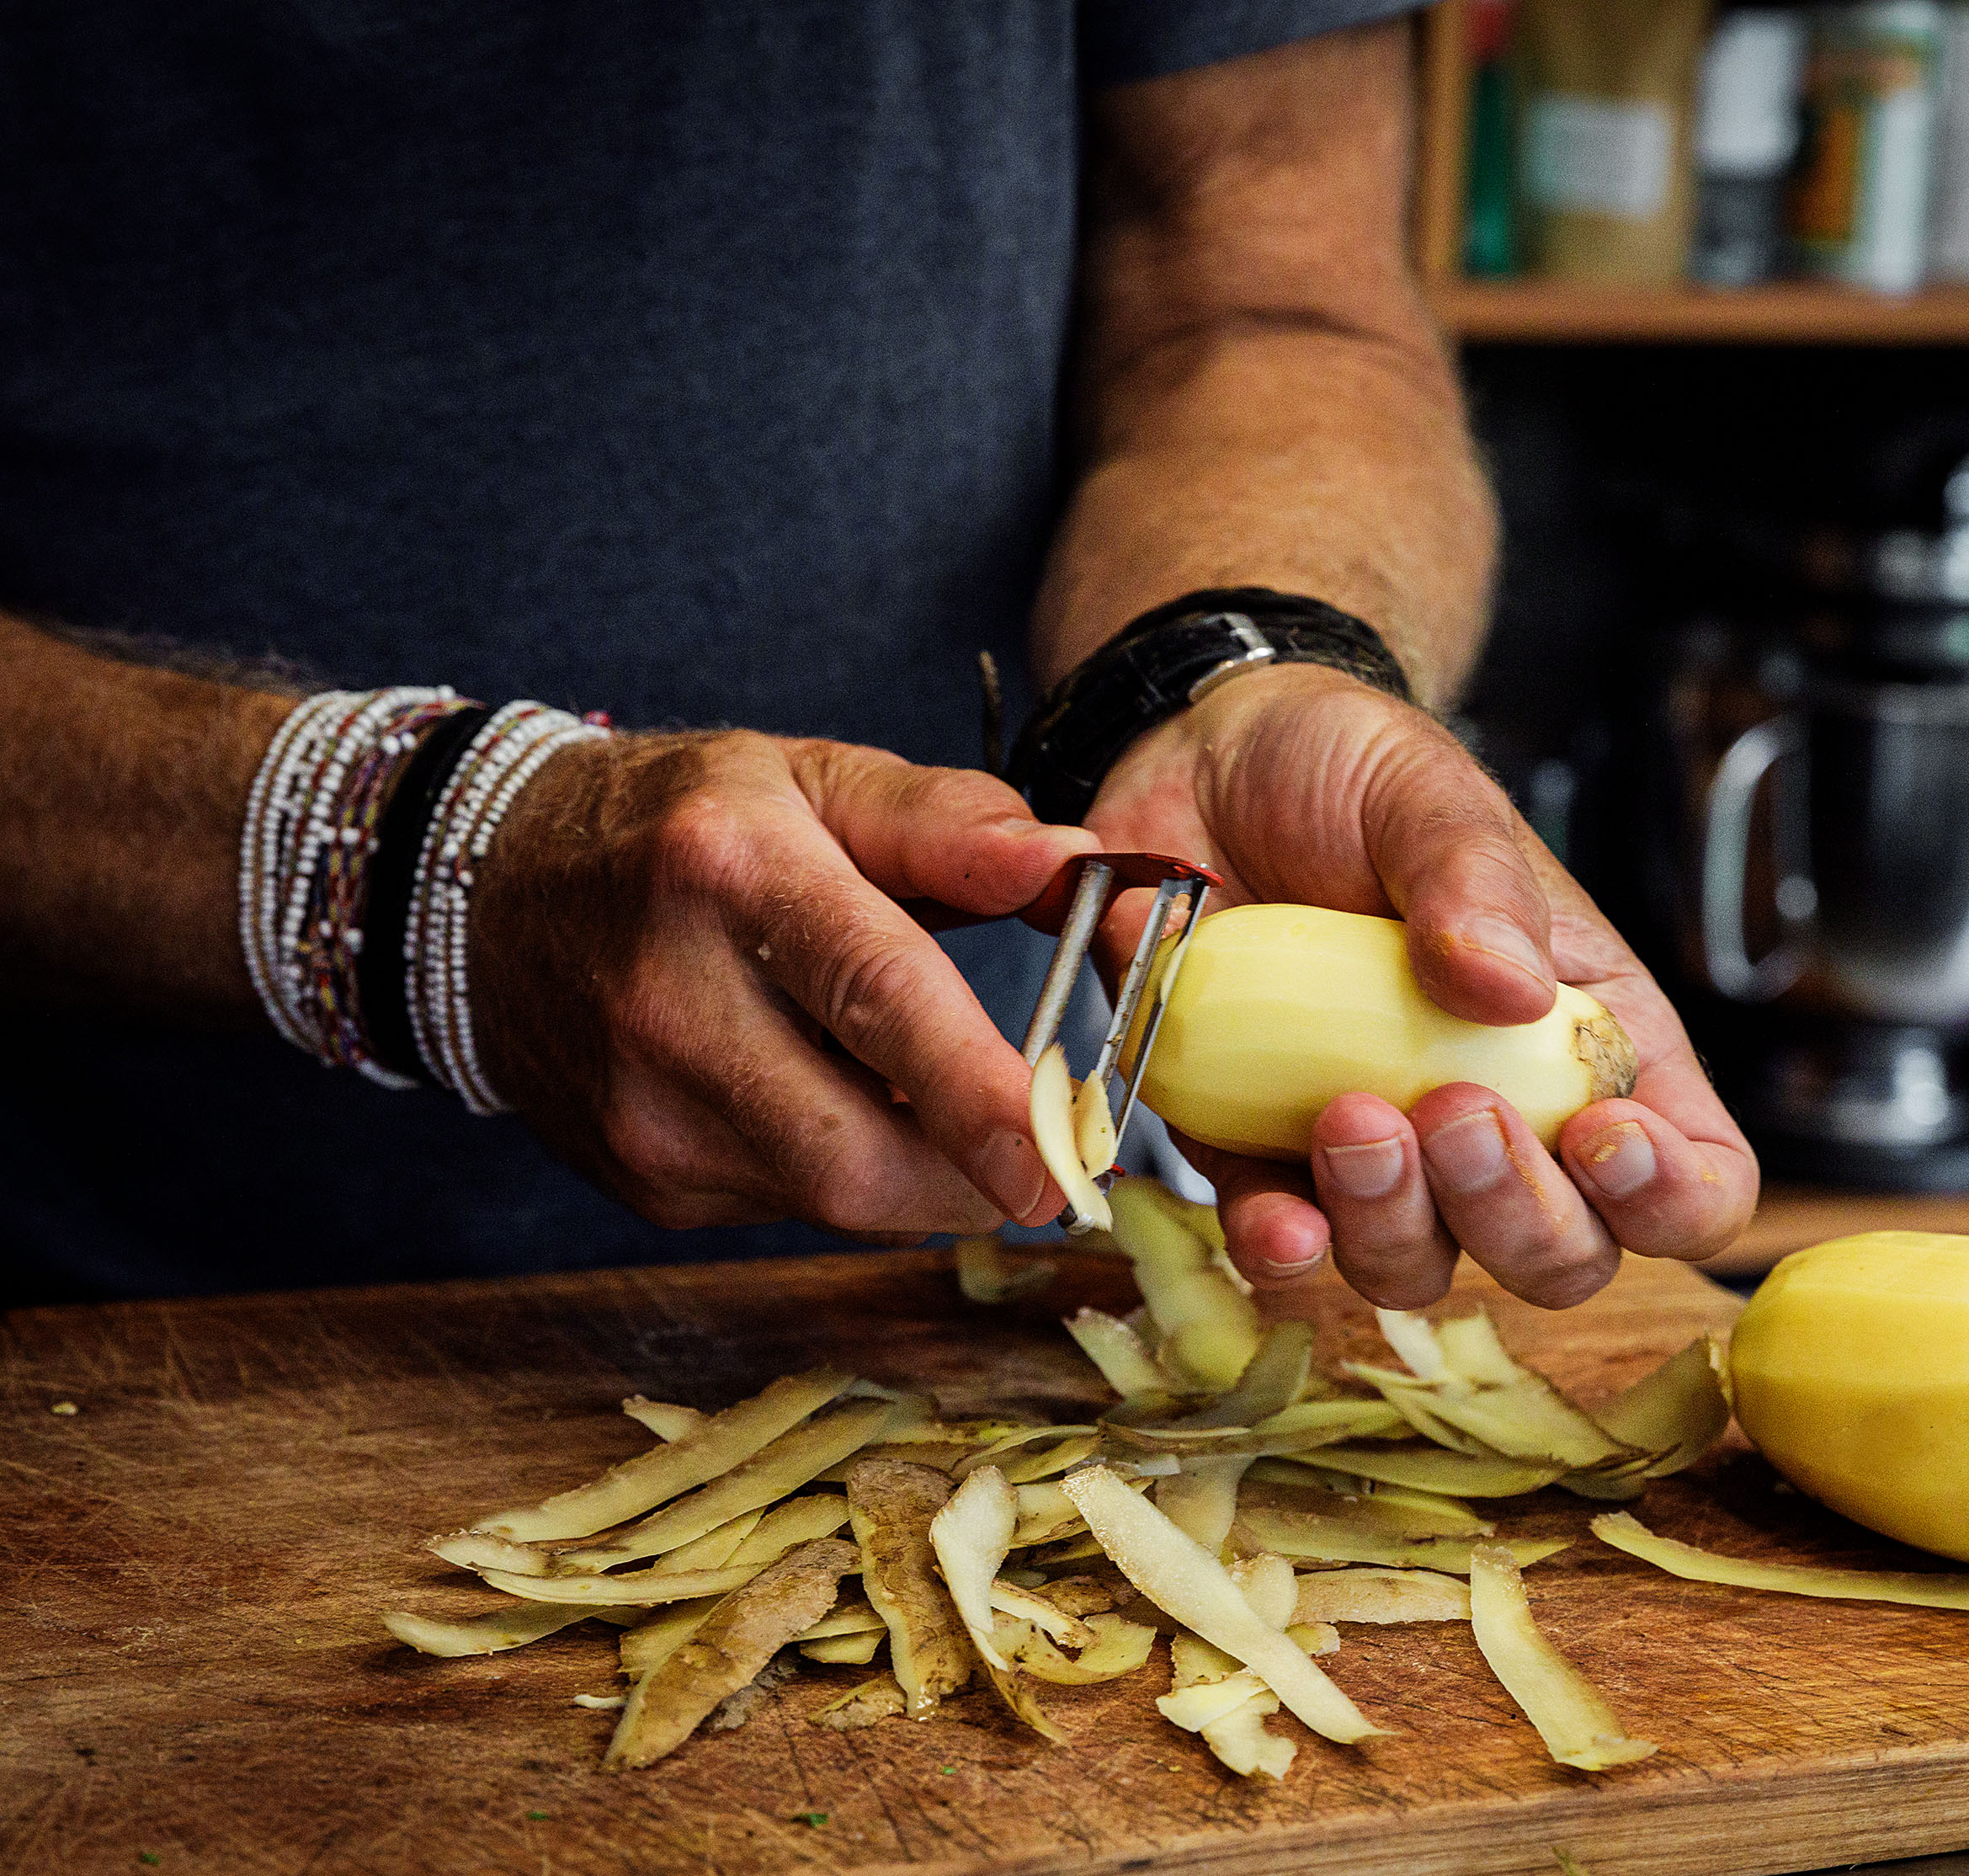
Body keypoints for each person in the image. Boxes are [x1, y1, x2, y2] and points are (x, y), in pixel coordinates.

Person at [0, 5, 1754, 1312]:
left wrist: (1226, 666)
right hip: (88, 1293)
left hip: (942, 1284)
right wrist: (396, 871)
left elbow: (1263, 287)